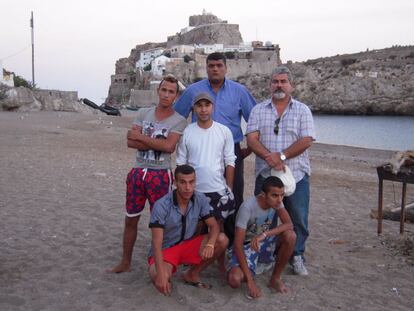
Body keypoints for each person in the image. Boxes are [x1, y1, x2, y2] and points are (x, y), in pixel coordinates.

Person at [109, 74, 187, 273]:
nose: (166, 95)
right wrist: (151, 141)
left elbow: (169, 147)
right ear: (158, 91)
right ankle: (125, 261)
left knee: (159, 222)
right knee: (131, 218)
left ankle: (158, 262)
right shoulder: (144, 113)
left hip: (160, 175)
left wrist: (141, 137)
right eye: (164, 90)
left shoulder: (179, 120)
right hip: (137, 173)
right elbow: (130, 141)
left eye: (171, 92)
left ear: (176, 96)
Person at [246, 66, 315, 275]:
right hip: (266, 176)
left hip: (297, 175)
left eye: (283, 81)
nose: (279, 85)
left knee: (298, 218)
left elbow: (306, 140)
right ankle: (265, 255)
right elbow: (251, 139)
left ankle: (297, 255)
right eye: (275, 81)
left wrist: (281, 156)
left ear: (290, 85)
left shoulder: (303, 110)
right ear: (270, 85)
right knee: (264, 219)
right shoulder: (258, 110)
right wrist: (270, 157)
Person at [174, 52, 257, 214]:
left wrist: (249, 148)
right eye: (211, 66)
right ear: (206, 68)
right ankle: (199, 234)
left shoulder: (239, 91)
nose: (215, 69)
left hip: (231, 149)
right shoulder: (193, 91)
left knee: (234, 194)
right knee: (198, 193)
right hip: (200, 148)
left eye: (219, 66)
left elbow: (255, 120)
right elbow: (176, 118)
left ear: (226, 68)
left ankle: (231, 236)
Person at [148, 165, 228, 295]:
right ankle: (164, 272)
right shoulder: (161, 205)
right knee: (160, 279)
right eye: (183, 182)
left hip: (187, 245)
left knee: (222, 239)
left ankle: (192, 273)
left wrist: (210, 244)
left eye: (191, 182)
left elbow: (214, 226)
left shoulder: (200, 198)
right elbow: (156, 244)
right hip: (165, 250)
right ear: (175, 183)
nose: (188, 187)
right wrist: (162, 276)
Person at [227, 176, 296, 298]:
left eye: (282, 195)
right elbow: (238, 245)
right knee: (234, 280)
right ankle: (253, 268)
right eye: (275, 195)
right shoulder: (247, 208)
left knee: (290, 235)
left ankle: (274, 279)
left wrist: (264, 235)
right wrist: (250, 281)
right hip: (246, 246)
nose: (279, 200)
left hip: (263, 241)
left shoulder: (277, 203)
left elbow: (289, 224)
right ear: (263, 195)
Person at [176, 92, 236, 224]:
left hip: (218, 190)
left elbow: (230, 161)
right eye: (199, 106)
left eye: (207, 105)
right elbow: (181, 162)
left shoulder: (224, 131)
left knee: (218, 230)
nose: (203, 109)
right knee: (194, 231)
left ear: (212, 107)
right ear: (194, 108)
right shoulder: (187, 132)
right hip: (193, 191)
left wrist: (229, 188)